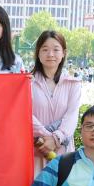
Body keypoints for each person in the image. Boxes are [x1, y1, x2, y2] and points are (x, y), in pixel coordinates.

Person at [30, 31, 82, 177]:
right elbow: (24, 114)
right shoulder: (27, 82)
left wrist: (56, 138)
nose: (50, 54)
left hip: (63, 150)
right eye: (45, 49)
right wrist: (46, 139)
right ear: (38, 53)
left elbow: (72, 115)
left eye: (56, 49)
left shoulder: (73, 84)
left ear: (63, 53)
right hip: (36, 148)